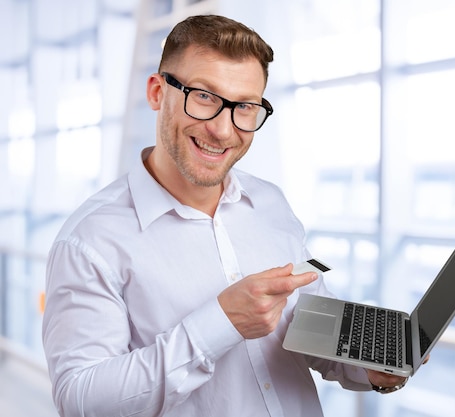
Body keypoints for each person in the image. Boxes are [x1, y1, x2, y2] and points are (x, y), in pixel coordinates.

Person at [42, 14, 413, 417]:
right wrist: (218, 323)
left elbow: (309, 325)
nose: (223, 129)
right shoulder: (90, 240)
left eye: (246, 106)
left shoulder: (271, 203)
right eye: (203, 96)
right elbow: (81, 401)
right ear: (156, 92)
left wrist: (373, 365)